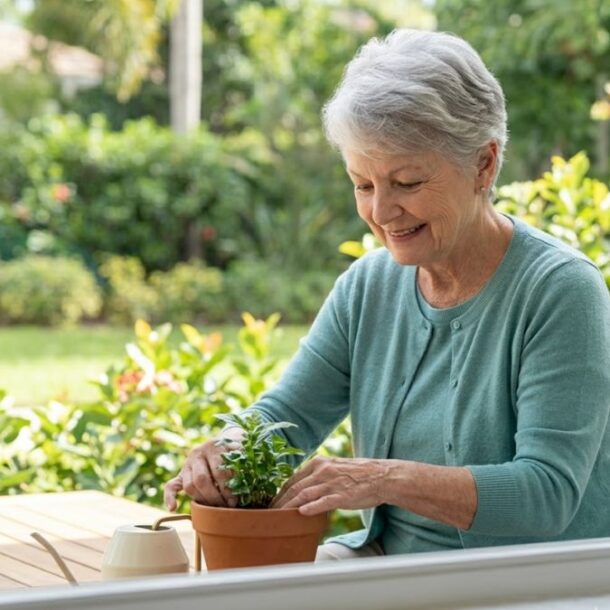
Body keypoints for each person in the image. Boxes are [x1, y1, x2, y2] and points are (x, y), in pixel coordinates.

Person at [165, 28, 610, 560]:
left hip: (530, 582)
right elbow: (291, 416)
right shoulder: (368, 286)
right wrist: (226, 452)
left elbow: (547, 494)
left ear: (483, 164)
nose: (381, 212)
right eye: (363, 184)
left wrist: (385, 478)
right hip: (386, 567)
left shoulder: (560, 291)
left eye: (408, 183)